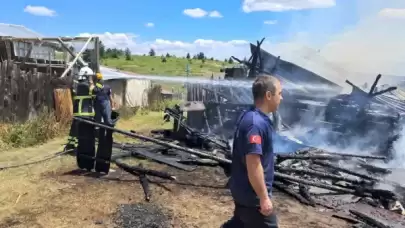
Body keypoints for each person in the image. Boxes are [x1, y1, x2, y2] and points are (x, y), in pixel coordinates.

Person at [222, 74, 283, 228]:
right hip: (252, 197)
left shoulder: (251, 116)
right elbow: (253, 164)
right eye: (280, 94)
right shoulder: (255, 124)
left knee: (240, 223)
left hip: (243, 191)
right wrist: (263, 198)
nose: (281, 98)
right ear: (269, 95)